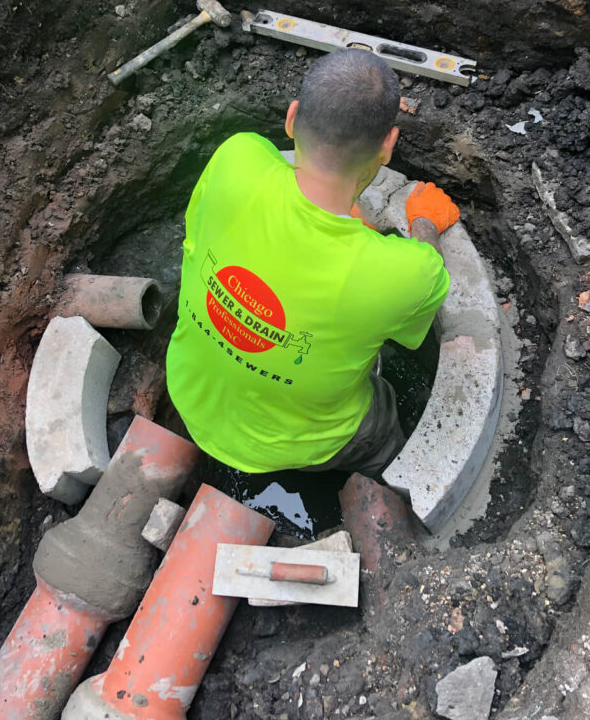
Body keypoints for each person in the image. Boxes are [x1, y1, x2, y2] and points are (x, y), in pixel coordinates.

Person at [166, 49, 460, 478]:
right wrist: (425, 223)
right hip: (305, 445)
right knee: (379, 416)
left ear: (291, 117)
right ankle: (392, 477)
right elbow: (421, 281)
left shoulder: (236, 157)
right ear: (388, 146)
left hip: (192, 396)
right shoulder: (408, 274)